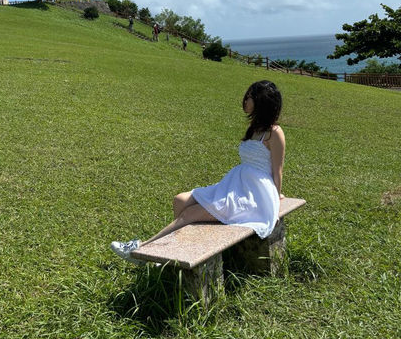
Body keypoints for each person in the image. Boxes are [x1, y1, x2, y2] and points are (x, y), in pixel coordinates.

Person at [110, 80, 286, 262]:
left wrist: (275, 201)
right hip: (235, 185)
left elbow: (277, 170)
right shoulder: (254, 129)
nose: (245, 100)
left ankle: (142, 250)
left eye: (250, 97)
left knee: (190, 213)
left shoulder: (275, 132)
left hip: (255, 196)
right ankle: (176, 252)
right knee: (180, 201)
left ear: (262, 102)